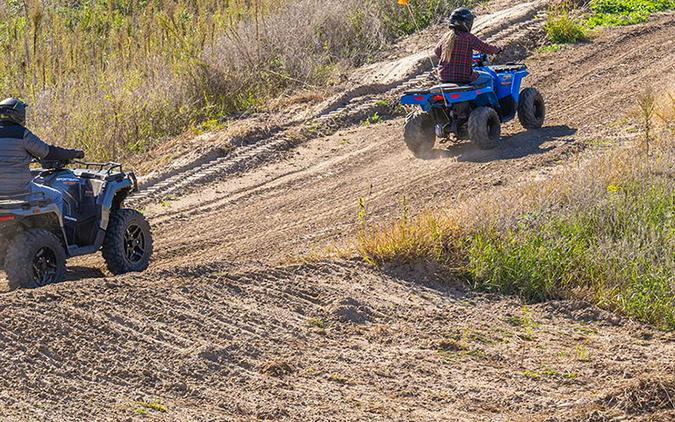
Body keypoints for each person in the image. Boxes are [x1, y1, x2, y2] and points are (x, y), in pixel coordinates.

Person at [0, 98, 84, 214]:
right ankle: (60, 231)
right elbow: (47, 152)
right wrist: (74, 153)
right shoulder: (22, 134)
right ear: (18, 115)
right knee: (57, 196)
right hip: (20, 189)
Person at [434, 8, 502, 85]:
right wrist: (497, 49)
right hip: (463, 78)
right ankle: (491, 97)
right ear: (466, 23)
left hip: (443, 77)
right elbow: (485, 48)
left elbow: (437, 52)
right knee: (489, 78)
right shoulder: (468, 37)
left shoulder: (446, 36)